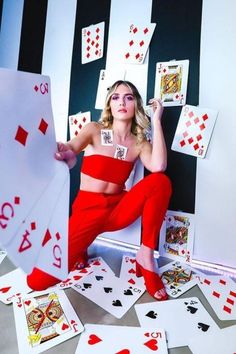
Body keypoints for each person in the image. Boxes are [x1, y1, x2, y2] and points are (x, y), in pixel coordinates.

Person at [27, 80, 172, 301]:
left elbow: (158, 166)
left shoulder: (139, 143)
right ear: (109, 105)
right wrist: (64, 152)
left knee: (160, 182)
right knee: (36, 282)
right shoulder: (95, 129)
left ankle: (145, 257)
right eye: (115, 97)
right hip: (87, 212)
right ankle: (82, 247)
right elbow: (72, 146)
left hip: (116, 210)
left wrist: (157, 120)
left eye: (129, 97)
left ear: (136, 105)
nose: (121, 102)